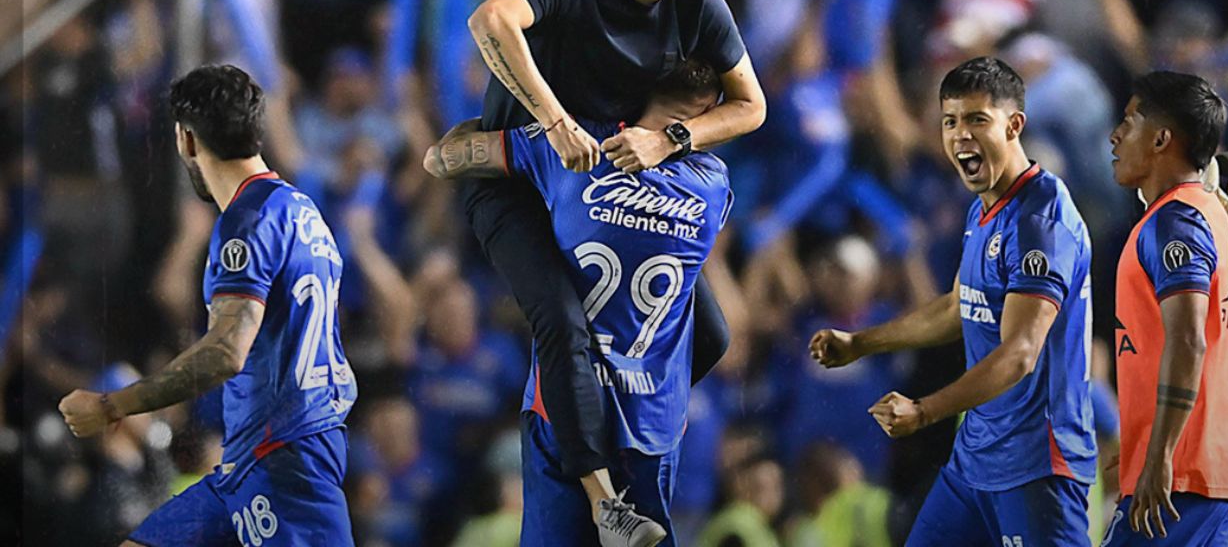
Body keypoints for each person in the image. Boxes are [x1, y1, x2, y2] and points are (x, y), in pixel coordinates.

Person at [461, 0, 766, 542]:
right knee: (563, 330)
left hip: (603, 186)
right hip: (522, 188)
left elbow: (752, 106)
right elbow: (491, 18)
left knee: (711, 335)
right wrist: (553, 121)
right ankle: (604, 502)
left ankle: (605, 422)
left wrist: (674, 138)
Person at [425, 58, 734, 547]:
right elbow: (711, 339)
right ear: (710, 110)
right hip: (653, 417)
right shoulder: (712, 185)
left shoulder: (573, 146)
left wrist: (490, 127)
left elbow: (442, 160)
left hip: (565, 407)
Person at [58, 64, 358, 545]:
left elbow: (225, 353)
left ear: (187, 140)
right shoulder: (301, 211)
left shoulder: (248, 219)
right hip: (246, 463)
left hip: (284, 461)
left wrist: (115, 405)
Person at [811, 56, 1096, 546]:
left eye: (976, 120)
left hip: (1035, 466)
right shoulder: (982, 209)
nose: (960, 134)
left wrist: (923, 412)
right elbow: (956, 307)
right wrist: (861, 343)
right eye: (950, 121)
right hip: (973, 463)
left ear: (1014, 125)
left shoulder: (1039, 219)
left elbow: (1021, 352)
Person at [1103, 71, 1228, 545]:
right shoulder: (1208, 212)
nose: (1115, 135)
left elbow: (1189, 339)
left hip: (1180, 477)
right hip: (1209, 469)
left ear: (1162, 138)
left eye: (1129, 121)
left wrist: (1159, 453)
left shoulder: (1175, 222)